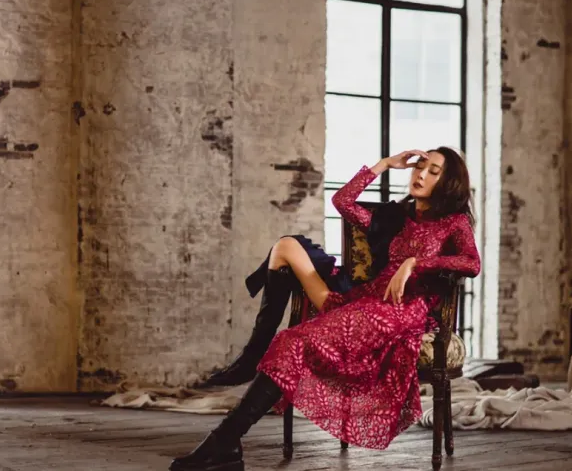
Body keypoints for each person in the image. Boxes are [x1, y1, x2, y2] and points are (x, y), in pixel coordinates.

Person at [170, 147, 481, 471]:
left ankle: (223, 441)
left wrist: (414, 263)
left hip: (401, 311)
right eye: (419, 167)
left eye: (433, 171)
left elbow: (471, 263)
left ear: (448, 182)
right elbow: (342, 202)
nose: (421, 174)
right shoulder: (395, 219)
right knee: (288, 299)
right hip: (364, 300)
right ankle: (227, 440)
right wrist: (385, 164)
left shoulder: (454, 222)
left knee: (292, 341)